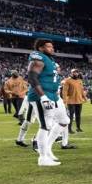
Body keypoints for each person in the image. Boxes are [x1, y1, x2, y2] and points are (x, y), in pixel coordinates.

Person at [26, 39, 72, 167]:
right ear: (41, 48)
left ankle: (48, 149)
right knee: (45, 125)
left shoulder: (49, 60)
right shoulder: (38, 57)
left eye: (52, 46)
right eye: (49, 47)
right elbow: (32, 76)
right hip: (42, 95)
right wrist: (43, 97)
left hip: (54, 95)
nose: (52, 49)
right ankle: (42, 157)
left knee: (64, 121)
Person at [61, 68, 86, 133]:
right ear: (71, 73)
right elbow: (64, 91)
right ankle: (69, 129)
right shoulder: (67, 80)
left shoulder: (80, 81)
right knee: (71, 116)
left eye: (76, 72)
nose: (75, 73)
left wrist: (85, 97)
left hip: (79, 100)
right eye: (74, 72)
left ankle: (78, 128)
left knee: (78, 115)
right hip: (70, 101)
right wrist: (64, 99)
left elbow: (82, 90)